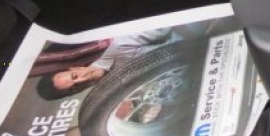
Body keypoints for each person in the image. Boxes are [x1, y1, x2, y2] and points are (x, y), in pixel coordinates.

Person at [35, 28, 177, 100]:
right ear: (76, 93)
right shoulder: (113, 92)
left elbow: (166, 29)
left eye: (74, 76)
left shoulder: (119, 46)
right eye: (73, 88)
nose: (82, 79)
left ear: (74, 67)